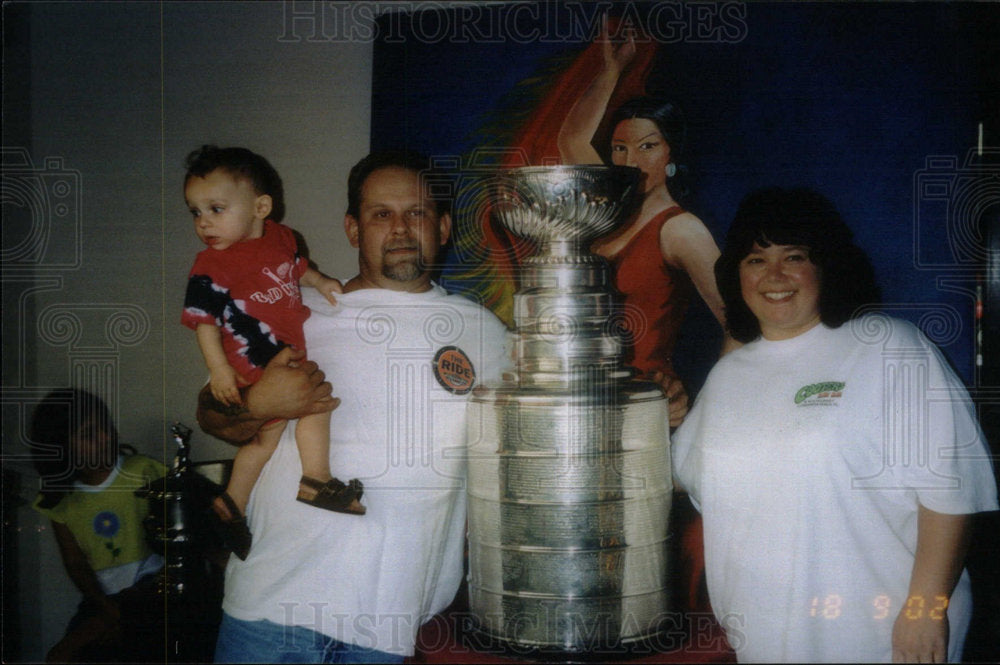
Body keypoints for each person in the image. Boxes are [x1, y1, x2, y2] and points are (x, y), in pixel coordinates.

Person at [196, 151, 512, 663]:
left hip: (387, 624)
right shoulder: (297, 314)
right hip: (270, 610)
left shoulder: (486, 334)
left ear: (445, 226)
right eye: (380, 214)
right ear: (352, 228)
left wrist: (658, 405)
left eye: (418, 212)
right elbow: (212, 414)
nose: (402, 228)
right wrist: (259, 402)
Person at [671, 187, 999, 662]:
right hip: (766, 638)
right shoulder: (729, 375)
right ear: (736, 274)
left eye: (794, 256)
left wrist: (926, 611)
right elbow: (683, 479)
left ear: (825, 265)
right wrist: (653, 410)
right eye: (756, 260)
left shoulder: (888, 348)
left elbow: (950, 489)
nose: (775, 276)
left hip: (885, 636)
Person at [181, 145, 362, 561]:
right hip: (252, 356)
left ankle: (231, 504)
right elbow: (204, 322)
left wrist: (320, 281)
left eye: (216, 208)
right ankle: (316, 480)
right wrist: (219, 370)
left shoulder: (283, 238)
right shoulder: (211, 264)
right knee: (315, 403)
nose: (204, 221)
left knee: (264, 440)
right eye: (195, 212)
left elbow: (296, 268)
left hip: (278, 353)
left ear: (261, 207)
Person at [30, 388, 167, 663]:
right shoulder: (61, 500)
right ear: (61, 447)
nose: (105, 437)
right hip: (101, 597)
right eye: (89, 434)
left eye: (106, 426)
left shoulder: (142, 471)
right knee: (59, 657)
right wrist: (106, 610)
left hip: (150, 588)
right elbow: (75, 563)